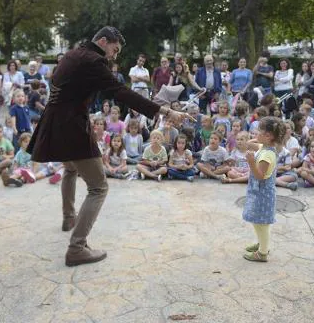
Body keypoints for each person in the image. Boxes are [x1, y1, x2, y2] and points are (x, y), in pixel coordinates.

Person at [28, 26, 191, 267]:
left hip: (55, 121)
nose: (114, 56)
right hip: (72, 125)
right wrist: (164, 110)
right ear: (103, 41)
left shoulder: (73, 54)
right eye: (114, 50)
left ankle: (68, 218)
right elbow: (120, 92)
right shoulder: (94, 61)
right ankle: (77, 248)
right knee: (98, 187)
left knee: (71, 169)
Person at [242, 116, 285, 262]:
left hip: (263, 194)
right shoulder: (265, 147)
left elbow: (260, 176)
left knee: (262, 223)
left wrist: (251, 162)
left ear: (268, 136)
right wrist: (257, 139)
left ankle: (262, 253)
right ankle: (262, 243)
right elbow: (249, 144)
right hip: (258, 193)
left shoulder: (267, 155)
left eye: (259, 131)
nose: (255, 133)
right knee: (257, 220)